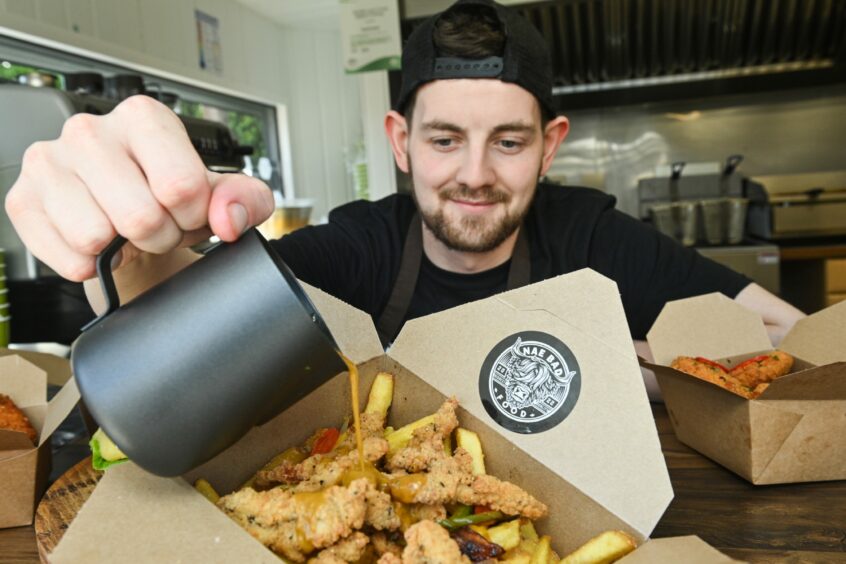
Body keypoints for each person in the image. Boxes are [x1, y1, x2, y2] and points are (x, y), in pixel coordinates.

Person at [6, 0, 802, 398]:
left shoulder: (593, 236)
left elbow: (788, 338)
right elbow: (180, 328)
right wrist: (127, 236)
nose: (475, 174)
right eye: (445, 139)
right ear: (400, 140)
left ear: (551, 144)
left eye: (511, 142)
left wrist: (623, 364)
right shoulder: (358, 247)